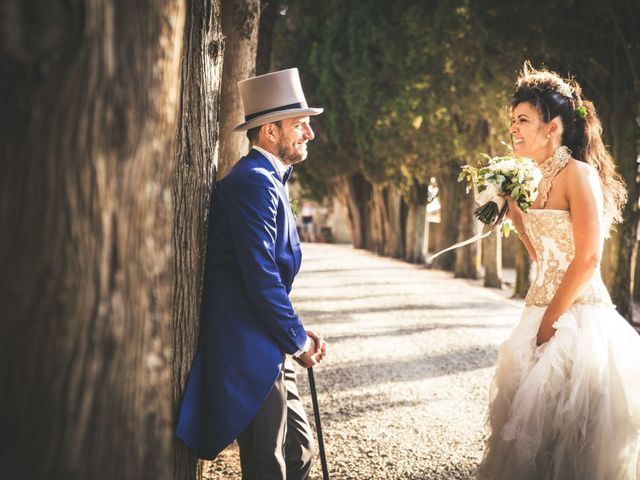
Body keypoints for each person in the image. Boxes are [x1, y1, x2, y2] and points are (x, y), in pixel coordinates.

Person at [477, 62, 640, 480]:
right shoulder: (530, 181)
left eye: (523, 120)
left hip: (580, 319)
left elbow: (586, 259)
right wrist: (516, 218)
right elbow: (545, 258)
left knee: (575, 439)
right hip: (539, 312)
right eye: (512, 120)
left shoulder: (578, 175)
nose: (514, 129)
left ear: (552, 128)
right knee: (533, 439)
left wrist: (551, 321)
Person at [176, 68, 328, 480]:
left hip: (269, 342)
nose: (309, 134)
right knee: (268, 465)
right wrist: (297, 340)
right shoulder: (253, 183)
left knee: (298, 452)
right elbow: (261, 277)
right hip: (247, 349)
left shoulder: (270, 180)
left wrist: (295, 333)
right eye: (299, 125)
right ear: (268, 132)